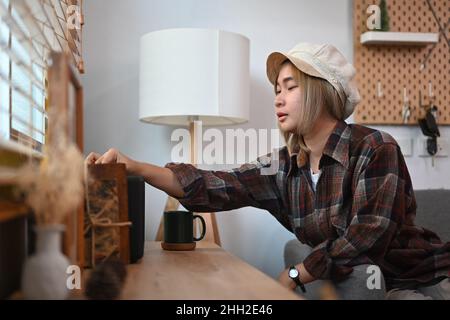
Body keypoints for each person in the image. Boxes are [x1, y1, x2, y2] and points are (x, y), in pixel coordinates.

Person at [85, 43, 450, 300]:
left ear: (323, 93)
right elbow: (219, 185)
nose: (277, 97)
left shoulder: (375, 148)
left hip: (422, 278)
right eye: (277, 88)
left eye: (290, 87)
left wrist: (296, 273)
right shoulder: (284, 167)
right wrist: (135, 167)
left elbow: (368, 234)